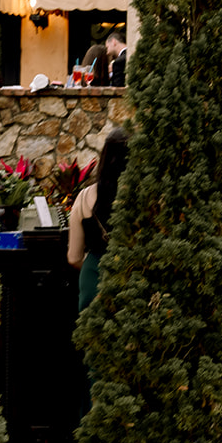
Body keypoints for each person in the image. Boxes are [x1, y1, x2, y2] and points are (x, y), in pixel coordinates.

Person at [68, 127, 129, 313]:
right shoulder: (144, 196)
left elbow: (74, 257)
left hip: (92, 281)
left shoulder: (83, 198)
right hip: (131, 283)